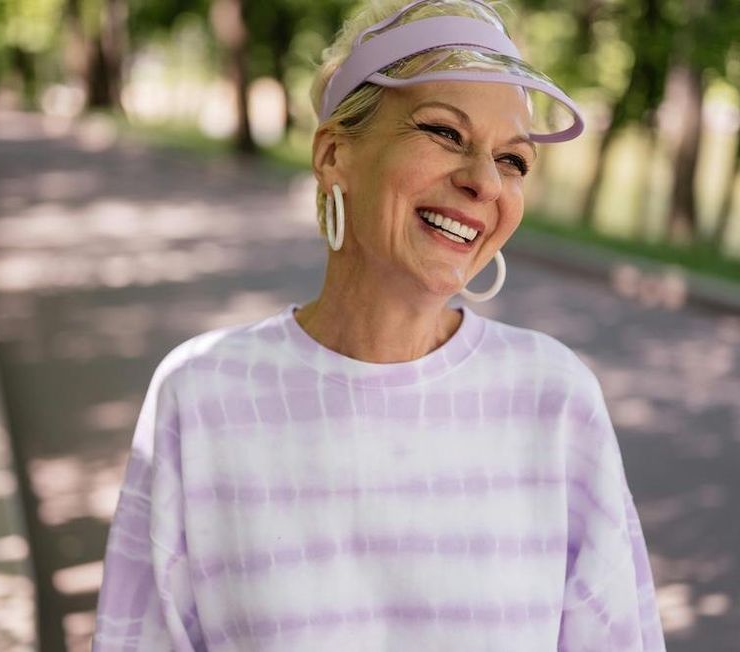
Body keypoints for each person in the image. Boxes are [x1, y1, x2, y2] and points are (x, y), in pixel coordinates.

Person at [92, 0, 667, 650]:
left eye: (512, 160)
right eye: (446, 133)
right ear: (335, 153)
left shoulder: (556, 399)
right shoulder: (199, 396)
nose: (484, 181)